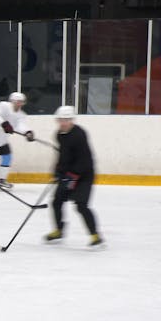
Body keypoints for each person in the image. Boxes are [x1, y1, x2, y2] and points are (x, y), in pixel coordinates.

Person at [46, 106, 103, 248]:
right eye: (61, 120)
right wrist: (58, 171)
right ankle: (59, 230)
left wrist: (72, 175)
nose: (63, 123)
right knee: (56, 202)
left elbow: (85, 160)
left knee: (81, 205)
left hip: (84, 175)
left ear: (72, 120)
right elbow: (63, 155)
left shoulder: (79, 134)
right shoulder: (59, 134)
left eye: (66, 120)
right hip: (69, 175)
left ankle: (95, 235)